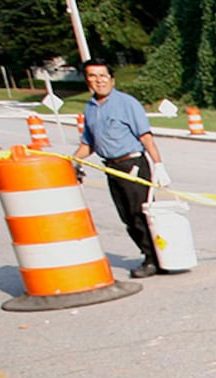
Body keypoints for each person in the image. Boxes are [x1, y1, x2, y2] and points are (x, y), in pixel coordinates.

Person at [74, 58, 173, 279]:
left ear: (111, 79)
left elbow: (145, 137)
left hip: (132, 164)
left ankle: (155, 259)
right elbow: (88, 144)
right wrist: (73, 160)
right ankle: (150, 254)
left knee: (141, 214)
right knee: (126, 216)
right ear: (87, 80)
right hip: (111, 167)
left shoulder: (127, 103)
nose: (99, 81)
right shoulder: (90, 109)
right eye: (93, 76)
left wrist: (158, 164)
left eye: (103, 76)